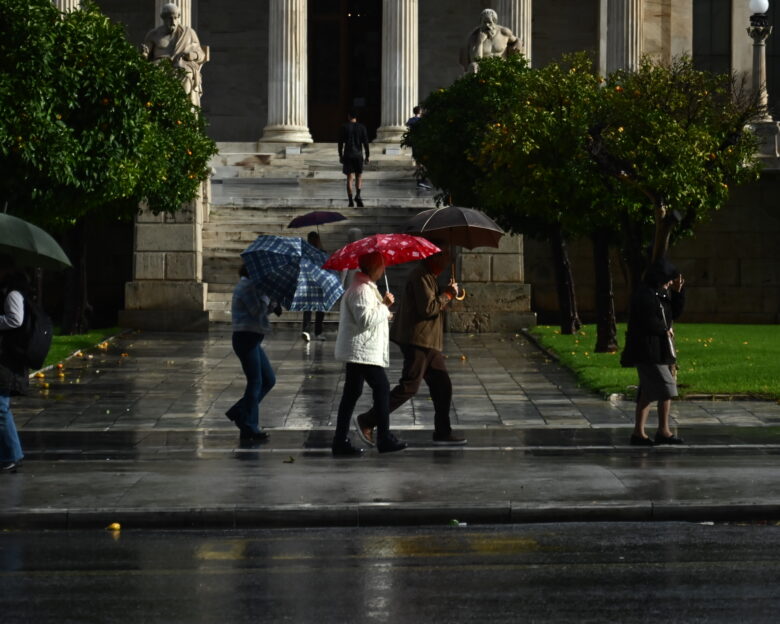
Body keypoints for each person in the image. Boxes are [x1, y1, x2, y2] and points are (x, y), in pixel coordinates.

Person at [356, 248, 467, 446]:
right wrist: (448, 295)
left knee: (443, 386)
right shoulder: (421, 275)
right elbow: (428, 308)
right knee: (409, 387)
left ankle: (442, 431)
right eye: (447, 256)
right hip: (419, 340)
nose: (449, 261)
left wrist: (446, 293)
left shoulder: (429, 276)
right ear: (436, 256)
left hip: (429, 343)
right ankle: (368, 420)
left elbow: (433, 303)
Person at [332, 251, 407, 456]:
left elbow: (370, 315)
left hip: (361, 349)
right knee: (381, 388)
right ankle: (384, 437)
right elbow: (365, 319)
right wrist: (384, 306)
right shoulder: (361, 290)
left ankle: (340, 440)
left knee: (352, 394)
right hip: (362, 350)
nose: (384, 270)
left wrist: (383, 308)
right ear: (374, 267)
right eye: (382, 265)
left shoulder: (365, 288)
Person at [621, 258, 686, 446]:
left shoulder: (661, 294)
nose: (669, 283)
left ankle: (650, 432)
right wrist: (663, 329)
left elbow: (674, 313)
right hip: (647, 349)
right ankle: (654, 431)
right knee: (665, 387)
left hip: (661, 348)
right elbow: (646, 320)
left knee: (649, 391)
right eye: (668, 279)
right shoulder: (645, 295)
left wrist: (678, 294)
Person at [225, 264, 277, 442]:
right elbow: (257, 311)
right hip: (245, 338)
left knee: (269, 380)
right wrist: (267, 297)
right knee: (255, 381)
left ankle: (240, 412)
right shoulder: (246, 286)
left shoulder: (252, 285)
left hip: (253, 338)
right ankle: (250, 427)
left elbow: (264, 311)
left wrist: (274, 301)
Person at [142, 3, 207, 107]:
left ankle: (182, 108)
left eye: (176, 18)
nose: (173, 22)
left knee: (187, 74)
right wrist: (144, 54)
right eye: (170, 18)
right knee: (153, 74)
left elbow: (201, 54)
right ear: (163, 18)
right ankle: (158, 108)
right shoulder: (153, 34)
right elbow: (145, 54)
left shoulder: (189, 33)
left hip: (181, 65)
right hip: (159, 67)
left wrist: (192, 56)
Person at [0, 255, 28, 472]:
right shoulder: (7, 291)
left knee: (1, 407)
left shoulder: (13, 293)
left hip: (7, 360)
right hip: (5, 357)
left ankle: (11, 455)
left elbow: (15, 319)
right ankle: (11, 454)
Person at [461, 9, 522, 74]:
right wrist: (480, 41)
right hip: (483, 73)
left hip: (502, 70)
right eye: (484, 22)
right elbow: (476, 60)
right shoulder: (474, 36)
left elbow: (516, 40)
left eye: (489, 22)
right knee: (474, 66)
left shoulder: (504, 32)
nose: (487, 25)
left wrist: (519, 43)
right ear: (480, 23)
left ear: (495, 22)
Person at [338, 111, 370, 208]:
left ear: (349, 117)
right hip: (358, 155)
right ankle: (358, 195)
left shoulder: (344, 127)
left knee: (349, 177)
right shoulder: (362, 127)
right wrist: (367, 155)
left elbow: (340, 143)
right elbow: (366, 142)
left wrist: (340, 155)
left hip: (348, 154)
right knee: (359, 176)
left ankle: (351, 201)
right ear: (356, 117)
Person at [301, 231, 326, 342]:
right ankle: (307, 331)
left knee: (319, 308)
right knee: (308, 308)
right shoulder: (306, 253)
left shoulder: (322, 252)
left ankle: (317, 331)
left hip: (319, 282)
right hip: (310, 282)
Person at [406, 106, 431, 190]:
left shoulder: (411, 120)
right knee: (423, 162)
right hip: (421, 143)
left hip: (414, 143)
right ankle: (422, 181)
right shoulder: (422, 121)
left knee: (418, 162)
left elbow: (408, 125)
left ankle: (419, 181)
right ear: (420, 111)